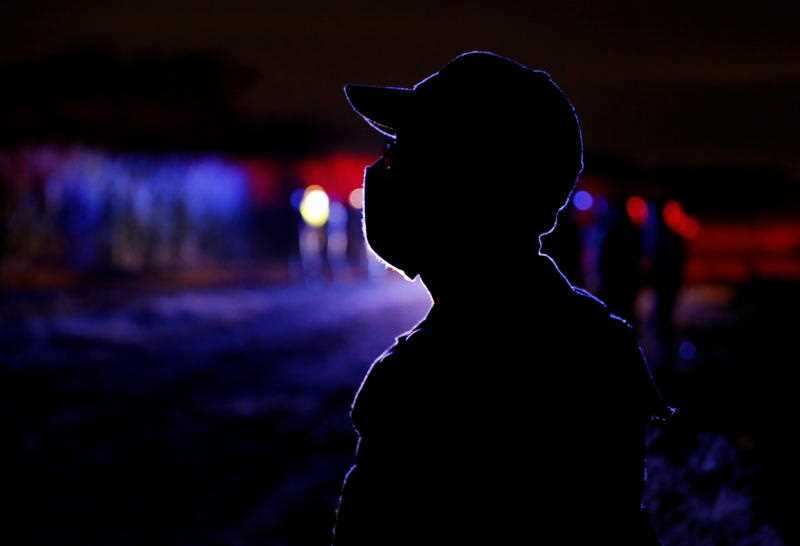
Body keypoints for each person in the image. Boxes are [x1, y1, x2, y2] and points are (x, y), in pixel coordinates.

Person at [333, 51, 669, 545]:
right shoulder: (596, 343)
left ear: (465, 183)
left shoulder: (429, 376)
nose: (385, 171)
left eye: (407, 154)